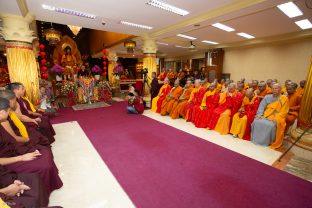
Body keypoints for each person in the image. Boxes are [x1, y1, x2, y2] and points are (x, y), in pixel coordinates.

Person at [0, 97, 63, 194]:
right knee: (44, 164)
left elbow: (10, 141)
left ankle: (48, 185)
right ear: (1, 112)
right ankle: (44, 189)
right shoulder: (4, 122)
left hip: (14, 151)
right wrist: (22, 157)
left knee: (44, 152)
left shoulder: (2, 122)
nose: (9, 113)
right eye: (8, 111)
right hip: (5, 164)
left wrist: (26, 149)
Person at [251, 83, 289, 149]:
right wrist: (259, 115)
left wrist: (277, 118)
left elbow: (284, 111)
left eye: (276, 88)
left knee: (271, 125)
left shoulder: (284, 99)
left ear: (280, 89)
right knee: (256, 122)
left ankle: (268, 142)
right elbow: (261, 107)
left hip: (276, 117)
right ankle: (256, 139)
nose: (274, 90)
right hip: (266, 115)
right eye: (273, 88)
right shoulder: (267, 97)